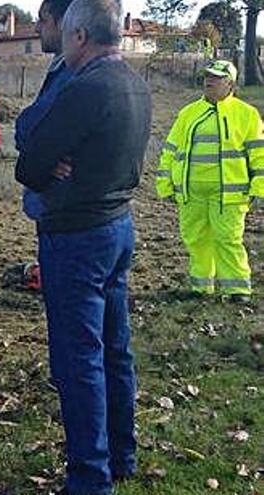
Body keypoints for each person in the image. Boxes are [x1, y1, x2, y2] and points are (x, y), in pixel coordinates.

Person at [14, 0, 152, 492]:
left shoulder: (84, 88)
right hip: (118, 225)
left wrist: (47, 162)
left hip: (76, 236)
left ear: (78, 37)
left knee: (79, 361)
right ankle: (122, 454)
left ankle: (90, 479)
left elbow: (27, 166)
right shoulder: (135, 83)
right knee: (115, 350)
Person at [156, 60, 263, 304]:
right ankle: (200, 287)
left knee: (228, 239)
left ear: (230, 83)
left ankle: (238, 290)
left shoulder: (247, 114)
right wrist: (165, 185)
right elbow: (170, 151)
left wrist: (260, 188)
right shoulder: (188, 113)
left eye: (216, 77)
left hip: (230, 194)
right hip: (192, 193)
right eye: (207, 76)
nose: (209, 80)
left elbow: (259, 154)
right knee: (196, 239)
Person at [16, 0, 75, 222]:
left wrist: (42, 155)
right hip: (59, 206)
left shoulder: (73, 74)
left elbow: (28, 126)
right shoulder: (61, 68)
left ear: (64, 23)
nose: (36, 28)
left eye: (43, 19)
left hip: (66, 212)